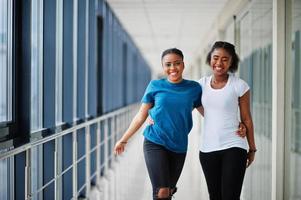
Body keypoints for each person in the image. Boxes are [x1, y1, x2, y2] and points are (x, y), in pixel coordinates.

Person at [114, 48, 203, 200]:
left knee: (168, 191)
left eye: (177, 63)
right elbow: (141, 116)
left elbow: (207, 112)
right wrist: (124, 139)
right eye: (168, 64)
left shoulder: (194, 88)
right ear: (163, 67)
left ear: (183, 64)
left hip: (179, 144)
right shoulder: (155, 85)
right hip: (155, 141)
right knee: (162, 190)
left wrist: (236, 124)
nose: (173, 68)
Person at [197, 41, 256, 200]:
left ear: (231, 62)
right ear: (210, 59)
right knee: (215, 196)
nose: (219, 63)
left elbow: (247, 118)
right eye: (216, 58)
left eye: (225, 59)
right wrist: (154, 116)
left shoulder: (239, 85)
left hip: (234, 145)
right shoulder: (200, 85)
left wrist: (252, 149)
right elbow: (182, 105)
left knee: (230, 196)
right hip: (207, 149)